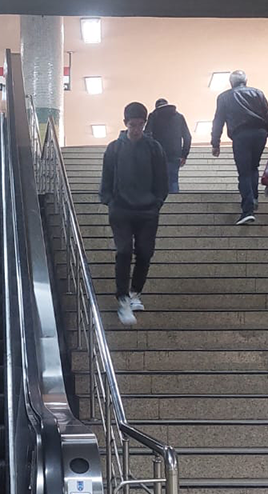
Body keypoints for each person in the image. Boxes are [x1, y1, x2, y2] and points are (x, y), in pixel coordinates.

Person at [99, 102, 169, 327]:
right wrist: (109, 200)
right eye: (132, 125)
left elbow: (162, 179)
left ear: (145, 123)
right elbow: (107, 176)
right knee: (123, 251)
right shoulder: (114, 148)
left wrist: (157, 202)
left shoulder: (154, 147)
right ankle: (122, 298)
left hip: (147, 210)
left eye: (140, 124)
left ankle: (135, 292)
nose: (136, 129)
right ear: (124, 124)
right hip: (120, 209)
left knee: (145, 252)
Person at [210, 70, 268, 225]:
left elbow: (218, 121)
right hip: (260, 133)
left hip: (241, 135)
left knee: (244, 172)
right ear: (245, 81)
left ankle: (247, 210)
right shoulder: (258, 93)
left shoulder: (224, 97)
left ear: (231, 82)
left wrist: (216, 143)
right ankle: (253, 198)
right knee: (253, 167)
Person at [146, 98, 192, 194]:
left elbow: (147, 135)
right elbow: (187, 137)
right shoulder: (179, 117)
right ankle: (174, 203)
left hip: (157, 154)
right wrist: (184, 155)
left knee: (157, 180)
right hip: (175, 155)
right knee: (173, 180)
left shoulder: (154, 115)